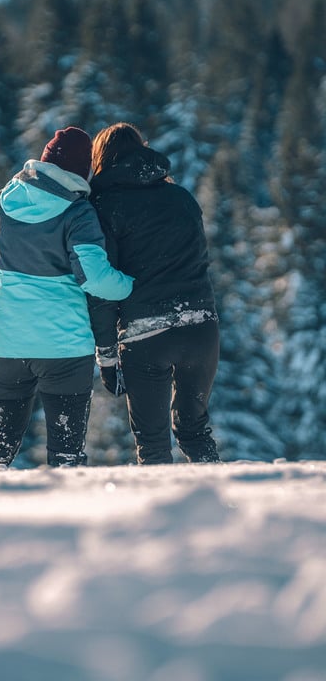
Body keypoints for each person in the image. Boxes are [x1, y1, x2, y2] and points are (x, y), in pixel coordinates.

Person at [0, 127, 134, 469]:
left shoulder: (1, 202)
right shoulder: (78, 214)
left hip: (5, 345)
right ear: (81, 172)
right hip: (64, 348)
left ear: (42, 162)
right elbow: (95, 280)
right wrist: (133, 285)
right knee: (66, 457)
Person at [87, 122, 221, 464]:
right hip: (201, 326)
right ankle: (221, 510)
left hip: (146, 333)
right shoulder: (182, 198)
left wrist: (106, 355)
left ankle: (165, 516)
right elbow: (200, 259)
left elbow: (103, 288)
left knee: (152, 444)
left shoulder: (104, 206)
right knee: (195, 431)